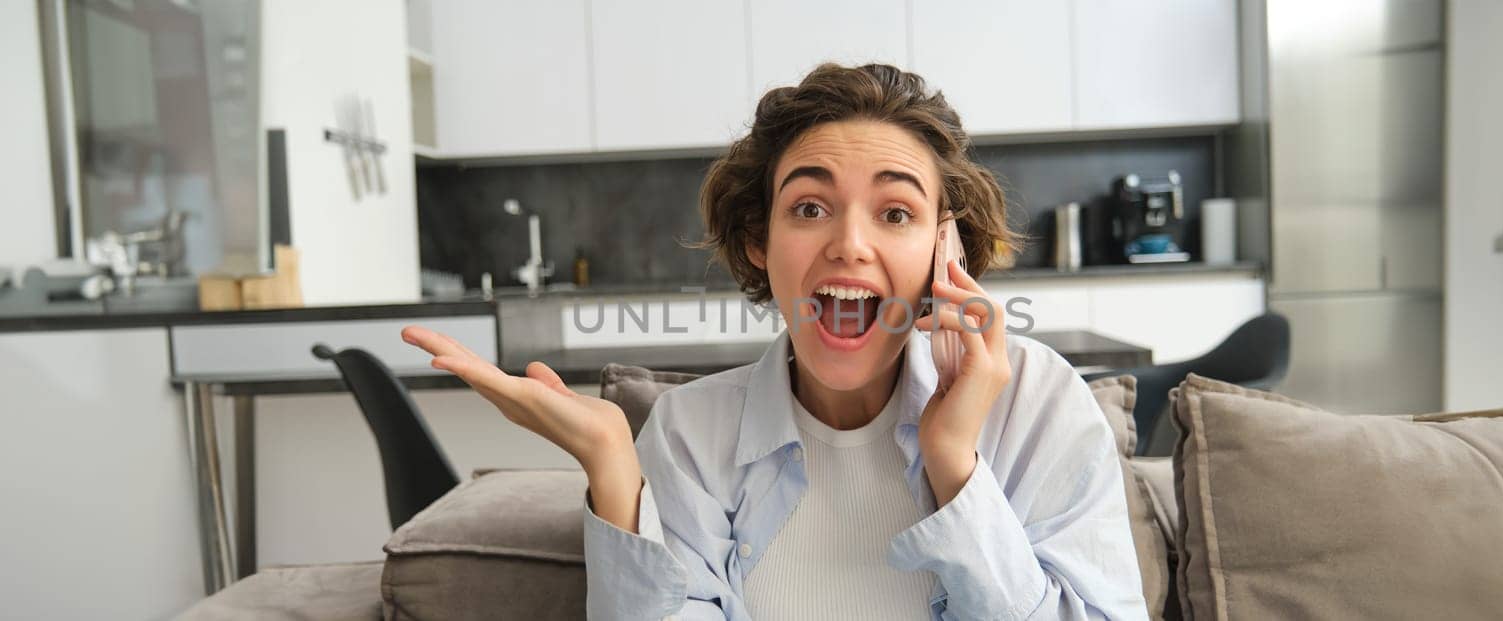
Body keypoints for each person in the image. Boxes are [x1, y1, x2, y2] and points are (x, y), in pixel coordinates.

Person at [402, 63, 1146, 620]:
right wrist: (612, 469)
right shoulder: (692, 434)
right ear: (760, 239)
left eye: (895, 213)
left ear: (942, 250)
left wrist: (955, 465)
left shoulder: (1037, 403)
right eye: (811, 205)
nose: (850, 244)